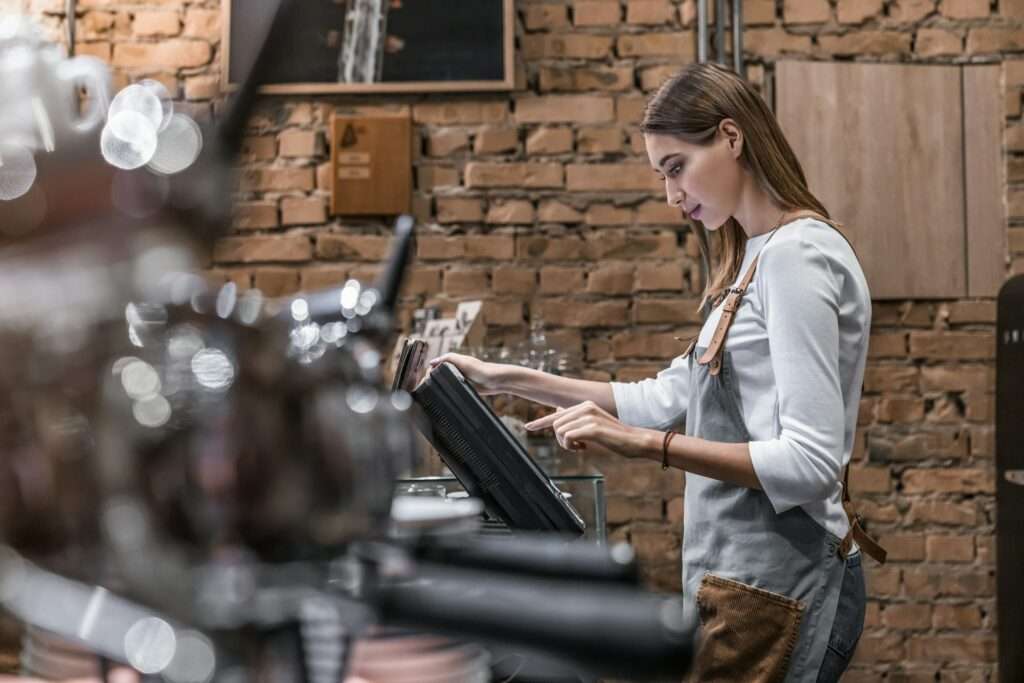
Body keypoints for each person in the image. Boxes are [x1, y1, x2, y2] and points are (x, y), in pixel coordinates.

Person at [429, 62, 886, 682]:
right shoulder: (755, 257)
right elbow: (662, 395)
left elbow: (809, 465)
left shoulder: (797, 256)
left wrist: (645, 446)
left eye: (677, 168)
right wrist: (502, 378)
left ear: (731, 136)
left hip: (789, 582)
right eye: (662, 176)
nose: (672, 197)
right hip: (753, 581)